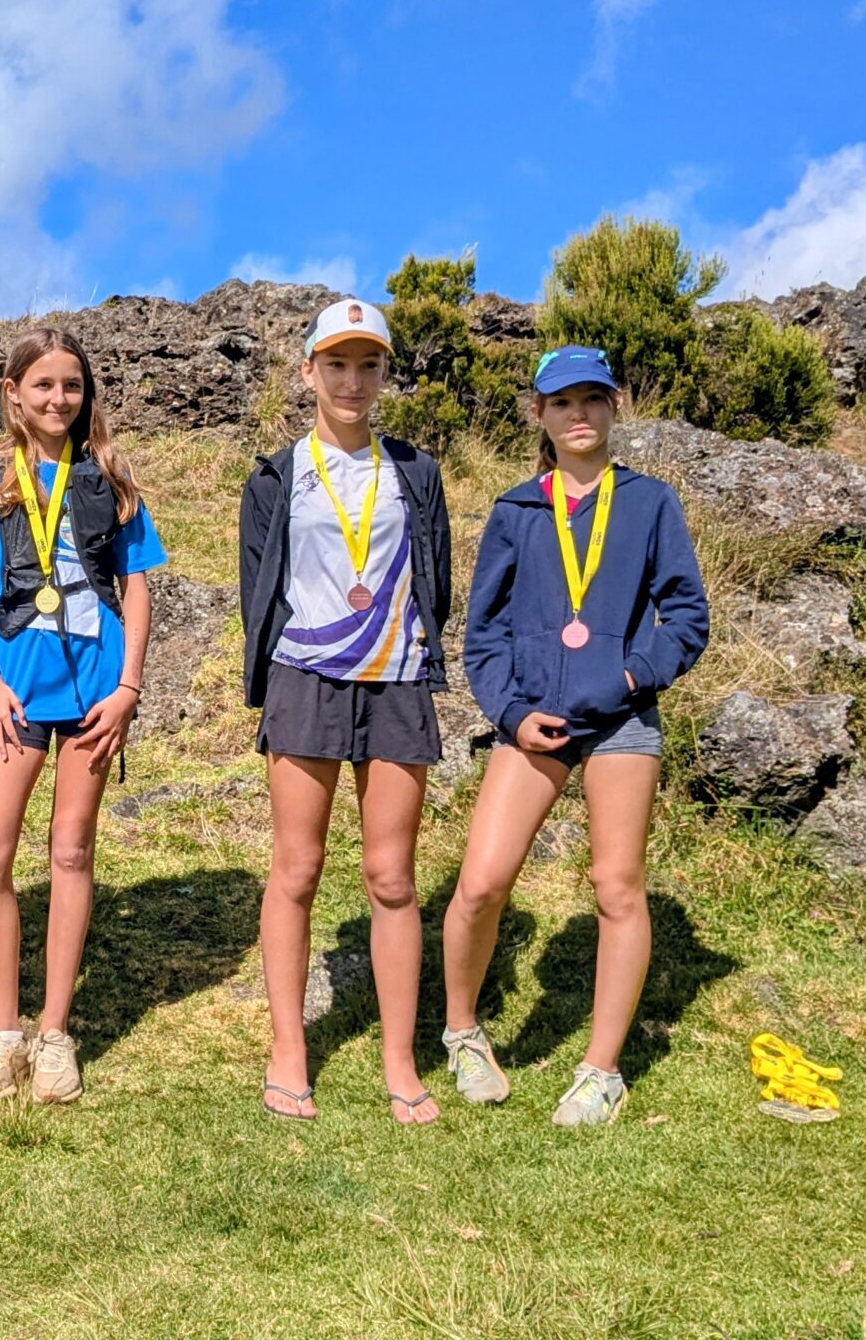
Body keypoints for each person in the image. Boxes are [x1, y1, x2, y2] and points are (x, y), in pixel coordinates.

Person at [444, 345, 709, 1127]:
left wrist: (628, 679)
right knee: (482, 883)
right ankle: (462, 1032)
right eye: (562, 403)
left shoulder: (651, 504)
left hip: (621, 719)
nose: (579, 415)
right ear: (540, 416)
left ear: (615, 406)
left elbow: (687, 618)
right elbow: (481, 635)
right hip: (532, 724)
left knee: (617, 887)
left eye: (593, 399)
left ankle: (601, 1071)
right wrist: (510, 713)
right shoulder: (515, 511)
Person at [238, 300, 452, 1124]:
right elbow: (262, 584)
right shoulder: (275, 475)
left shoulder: (417, 472)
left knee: (391, 878)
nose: (353, 382)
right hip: (307, 681)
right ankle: (290, 1047)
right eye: (337, 364)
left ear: (385, 375)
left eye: (369, 366)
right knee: (296, 869)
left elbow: (435, 575)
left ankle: (401, 1059)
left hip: (397, 683)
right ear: (308, 373)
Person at [0, 329, 164, 1105]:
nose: (57, 399)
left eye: (71, 386)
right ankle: (5, 1031)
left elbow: (137, 585)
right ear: (13, 394)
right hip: (16, 688)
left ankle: (54, 1035)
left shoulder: (107, 474)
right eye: (42, 385)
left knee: (72, 852)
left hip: (97, 694)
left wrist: (130, 687)